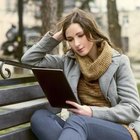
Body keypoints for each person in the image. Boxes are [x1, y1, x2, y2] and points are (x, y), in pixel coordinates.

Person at [21, 8, 140, 140]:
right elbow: (29, 59)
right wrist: (58, 36)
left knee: (78, 120)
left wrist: (91, 112)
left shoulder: (119, 62)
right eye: (70, 39)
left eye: (80, 35)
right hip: (81, 128)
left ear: (92, 32)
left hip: (120, 129)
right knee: (40, 117)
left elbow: (132, 109)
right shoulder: (69, 61)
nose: (76, 44)